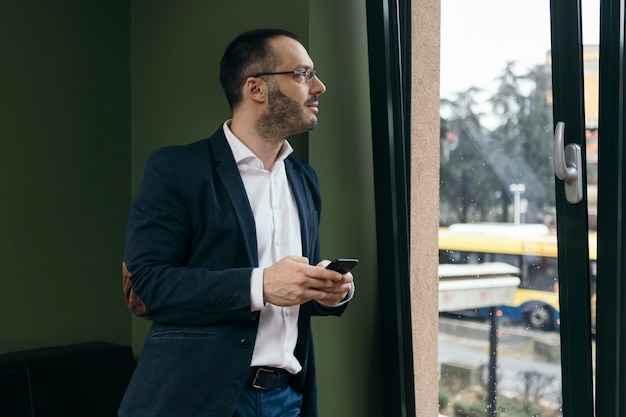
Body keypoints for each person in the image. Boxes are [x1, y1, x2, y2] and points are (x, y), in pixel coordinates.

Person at [118, 28, 355, 417]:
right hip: (196, 400)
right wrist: (260, 284)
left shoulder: (303, 180)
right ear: (256, 88)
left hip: (287, 400)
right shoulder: (177, 169)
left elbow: (290, 299)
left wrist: (329, 289)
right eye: (303, 74)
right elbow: (149, 285)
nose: (319, 87)